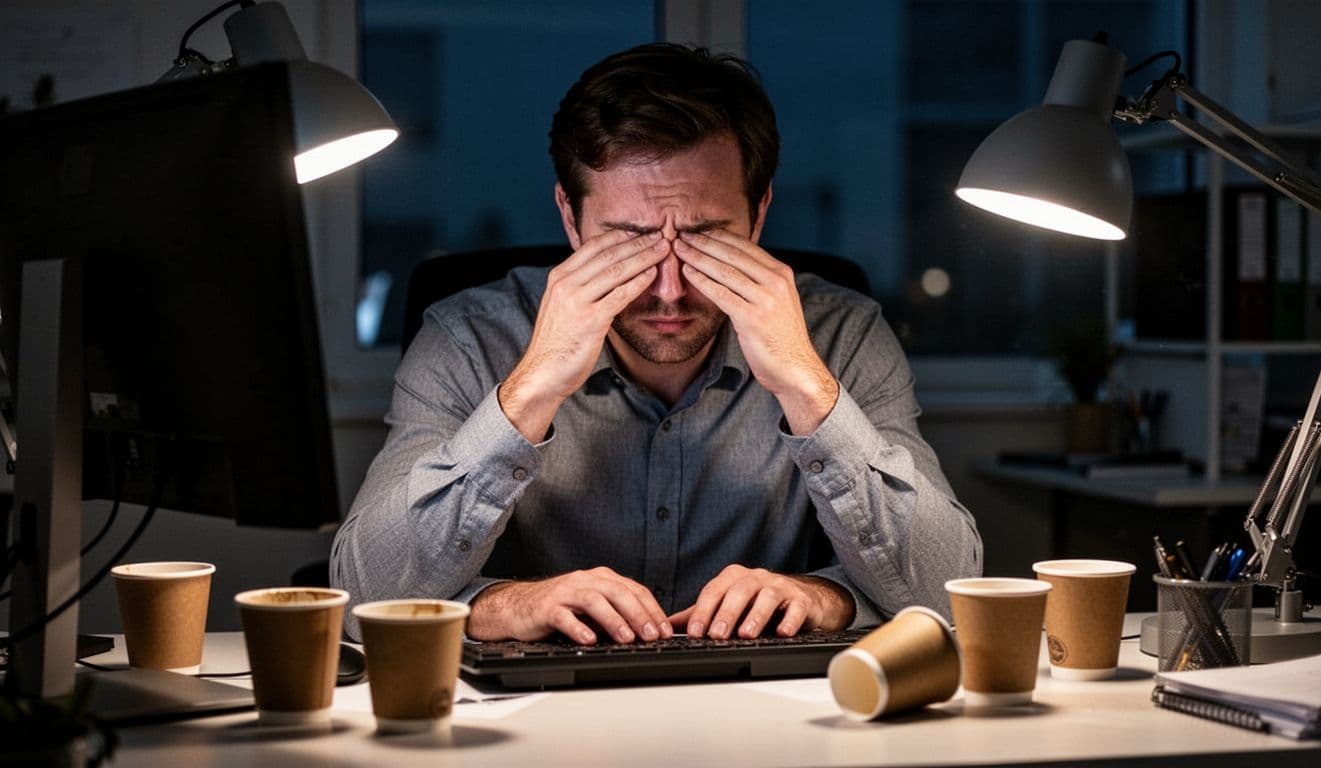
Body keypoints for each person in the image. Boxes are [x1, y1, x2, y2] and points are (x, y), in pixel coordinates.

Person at [330, 43, 982, 645]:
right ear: (570, 217)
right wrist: (529, 392)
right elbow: (360, 598)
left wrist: (809, 391)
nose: (668, 289)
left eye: (704, 238)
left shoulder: (842, 333)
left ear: (757, 215)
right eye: (629, 241)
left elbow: (955, 592)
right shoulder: (466, 338)